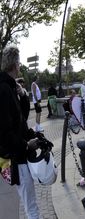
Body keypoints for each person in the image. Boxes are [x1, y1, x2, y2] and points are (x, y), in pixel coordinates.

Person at [0, 45, 41, 219]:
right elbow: (3, 131)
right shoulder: (3, 89)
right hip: (16, 158)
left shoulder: (10, 87)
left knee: (29, 202)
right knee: (31, 207)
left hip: (18, 155)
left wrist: (23, 95)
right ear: (15, 65)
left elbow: (21, 118)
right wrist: (25, 144)